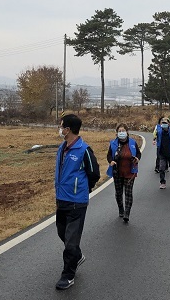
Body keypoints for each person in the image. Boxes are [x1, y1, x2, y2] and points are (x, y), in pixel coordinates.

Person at [55, 114, 100, 290]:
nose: (60, 129)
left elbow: (94, 173)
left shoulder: (84, 150)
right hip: (62, 200)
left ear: (68, 129)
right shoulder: (62, 147)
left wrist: (83, 189)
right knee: (62, 234)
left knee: (71, 242)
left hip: (77, 203)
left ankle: (68, 275)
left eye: (61, 126)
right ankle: (78, 256)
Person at [107, 123, 141, 223]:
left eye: (123, 130)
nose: (121, 133)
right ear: (117, 133)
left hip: (130, 171)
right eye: (119, 131)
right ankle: (121, 208)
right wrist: (111, 161)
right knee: (118, 193)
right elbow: (109, 155)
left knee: (128, 192)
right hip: (117, 172)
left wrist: (137, 158)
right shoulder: (113, 143)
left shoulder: (132, 142)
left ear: (127, 132)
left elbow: (138, 153)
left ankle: (127, 213)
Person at [156, 117, 170, 189]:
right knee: (161, 168)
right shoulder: (159, 132)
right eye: (163, 123)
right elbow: (158, 140)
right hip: (162, 153)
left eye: (165, 123)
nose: (164, 124)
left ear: (169, 124)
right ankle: (162, 182)